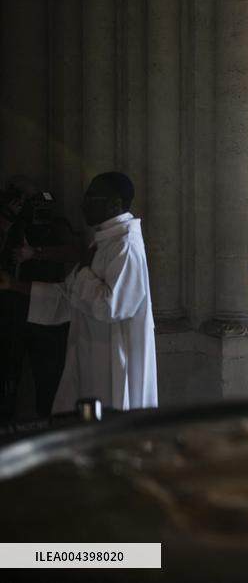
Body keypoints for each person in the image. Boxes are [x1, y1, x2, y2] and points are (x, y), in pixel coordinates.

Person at [0, 172, 157, 412]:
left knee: (111, 424)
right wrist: (13, 285)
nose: (83, 204)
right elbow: (69, 295)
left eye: (92, 197)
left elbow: (111, 306)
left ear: (114, 203)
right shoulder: (104, 241)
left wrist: (83, 272)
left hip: (112, 360)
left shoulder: (126, 245)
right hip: (91, 354)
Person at [0, 177, 82, 418]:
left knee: (49, 382)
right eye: (20, 197)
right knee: (7, 380)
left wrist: (35, 253)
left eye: (33, 197)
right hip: (10, 314)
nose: (27, 204)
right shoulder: (7, 224)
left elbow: (75, 252)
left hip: (48, 317)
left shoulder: (54, 224)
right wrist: (5, 223)